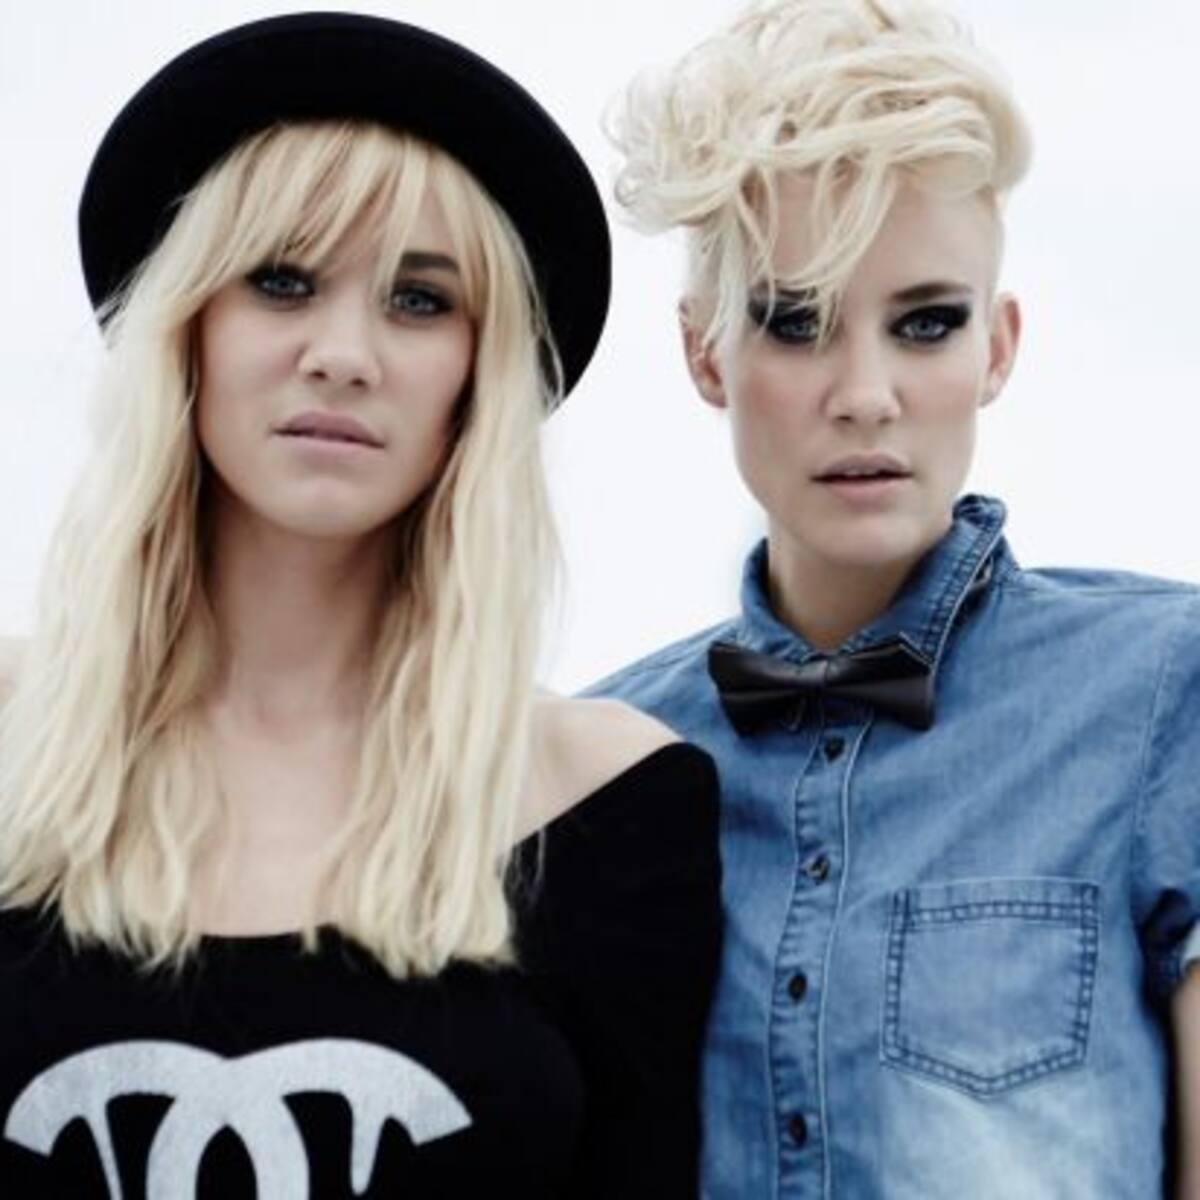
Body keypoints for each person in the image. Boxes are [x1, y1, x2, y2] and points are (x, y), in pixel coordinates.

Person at [0, 14, 720, 1196]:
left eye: (419, 300)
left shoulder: (603, 800)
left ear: (479, 375)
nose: (343, 353)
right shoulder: (13, 742)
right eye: (282, 281)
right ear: (186, 326)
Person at [587, 0, 1200, 1195]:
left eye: (926, 324)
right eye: (795, 321)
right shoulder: (608, 764)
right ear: (704, 353)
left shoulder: (1166, 691)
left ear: (997, 349)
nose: (865, 393)